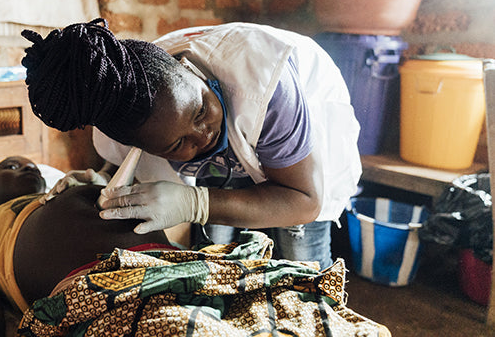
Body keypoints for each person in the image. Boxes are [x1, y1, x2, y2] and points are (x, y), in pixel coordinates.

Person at [20, 19, 362, 270]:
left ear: (188, 70)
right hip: (228, 150)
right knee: (214, 255)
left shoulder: (264, 88)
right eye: (177, 143)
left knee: (302, 259)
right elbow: (124, 163)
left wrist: (195, 202)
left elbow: (303, 200)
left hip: (300, 160)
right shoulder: (121, 125)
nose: (203, 134)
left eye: (200, 110)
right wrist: (104, 178)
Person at [0, 156, 173, 337]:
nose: (29, 168)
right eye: (11, 167)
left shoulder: (67, 186)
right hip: (90, 297)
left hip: (170, 271)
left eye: (36, 168)